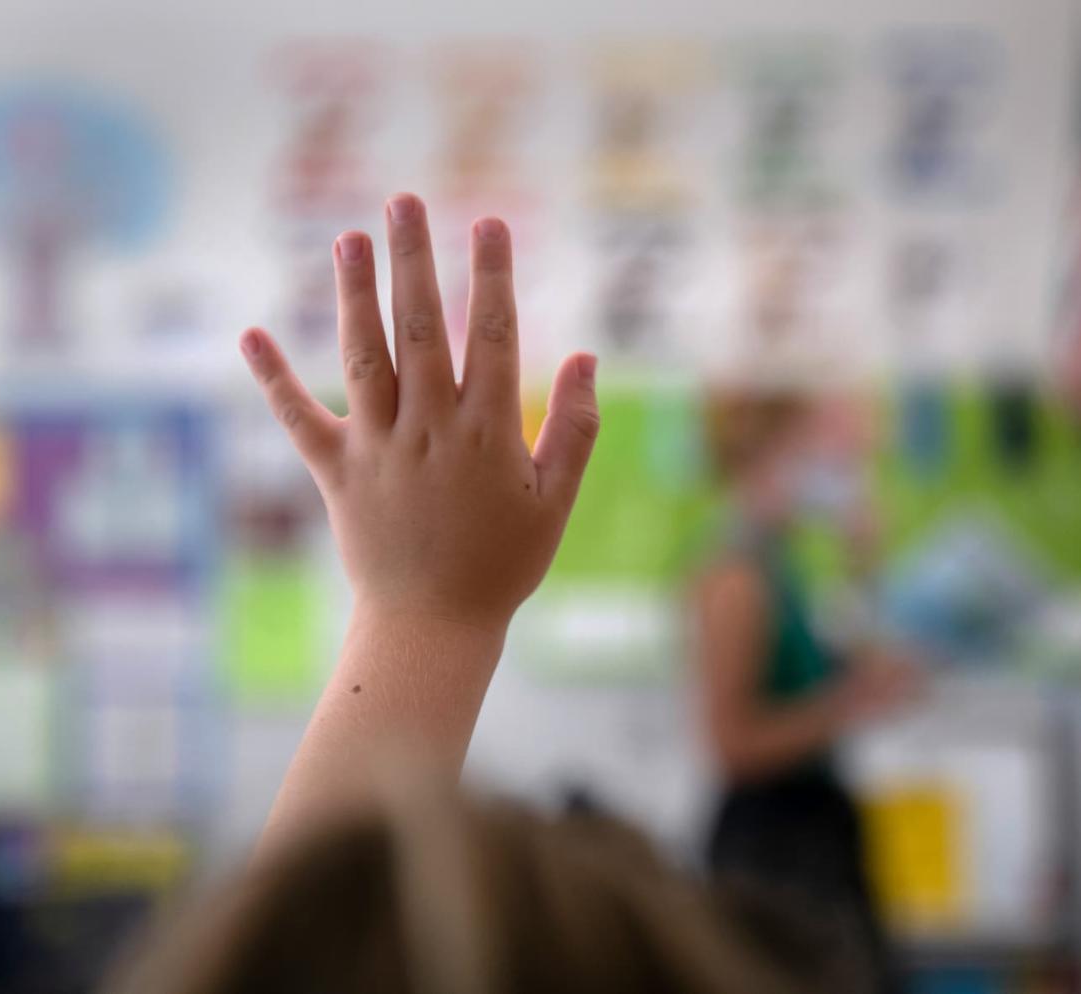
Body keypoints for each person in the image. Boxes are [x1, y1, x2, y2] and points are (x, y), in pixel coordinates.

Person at [106, 195, 852, 993]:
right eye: (830, 435)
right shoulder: (738, 566)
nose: (846, 451)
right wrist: (432, 611)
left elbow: (306, 955)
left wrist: (425, 610)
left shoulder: (782, 557)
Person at [696, 390, 921, 994]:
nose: (832, 470)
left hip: (814, 831)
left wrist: (863, 559)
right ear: (764, 457)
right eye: (813, 452)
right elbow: (732, 745)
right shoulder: (736, 577)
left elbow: (834, 666)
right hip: (772, 847)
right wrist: (849, 704)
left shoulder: (780, 565)